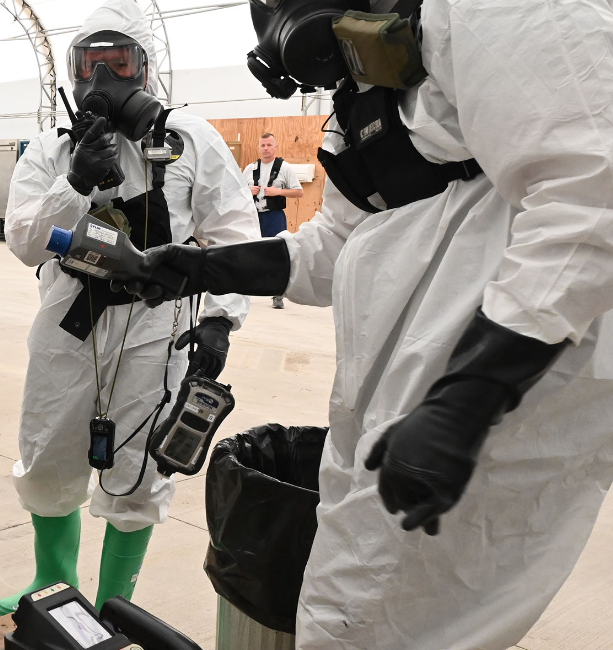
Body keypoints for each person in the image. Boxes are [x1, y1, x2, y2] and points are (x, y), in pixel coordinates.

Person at [127, 0, 613, 647]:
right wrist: (201, 268)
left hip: (507, 379)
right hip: (404, 387)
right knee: (354, 607)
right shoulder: (372, 90)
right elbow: (332, 250)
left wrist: (468, 401)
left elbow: (588, 194)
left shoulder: (494, 11)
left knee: (379, 619)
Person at [0, 0, 259, 618]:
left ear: (147, 69)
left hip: (157, 327)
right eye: (91, 66)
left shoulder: (191, 139)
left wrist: (220, 318)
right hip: (69, 319)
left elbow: (235, 234)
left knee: (139, 468)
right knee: (48, 449)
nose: (104, 82)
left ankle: (114, 604)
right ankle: (52, 587)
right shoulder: (52, 150)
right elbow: (24, 241)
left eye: (120, 64)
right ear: (73, 71)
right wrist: (76, 183)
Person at [242, 133, 301, 308]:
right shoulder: (250, 169)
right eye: (263, 145)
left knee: (278, 255)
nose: (266, 148)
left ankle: (278, 294)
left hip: (274, 216)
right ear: (258, 147)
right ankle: (246, 289)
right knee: (249, 251)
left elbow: (299, 192)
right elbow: (236, 192)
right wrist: (247, 191)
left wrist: (278, 192)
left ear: (276, 146)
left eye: (269, 145)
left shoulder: (285, 168)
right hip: (253, 216)